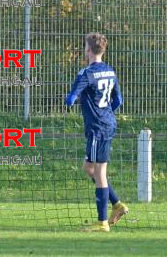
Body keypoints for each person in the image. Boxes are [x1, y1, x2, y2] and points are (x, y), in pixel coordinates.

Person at [66, 32, 129, 232]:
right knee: (88, 167)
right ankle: (117, 204)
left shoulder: (86, 74)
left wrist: (76, 100)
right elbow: (118, 101)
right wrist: (105, 112)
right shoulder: (110, 71)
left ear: (88, 50)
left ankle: (102, 223)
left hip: (97, 128)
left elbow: (70, 99)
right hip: (108, 123)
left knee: (100, 172)